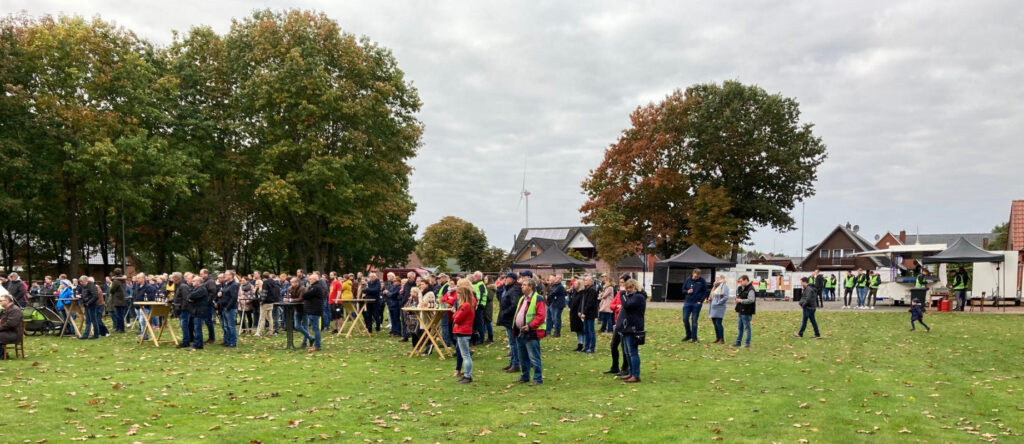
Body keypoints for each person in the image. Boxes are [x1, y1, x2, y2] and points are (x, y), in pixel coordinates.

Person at [514, 279, 546, 386]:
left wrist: (530, 326)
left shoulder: (538, 298)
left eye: (524, 285)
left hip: (532, 332)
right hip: (521, 332)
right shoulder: (522, 298)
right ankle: (525, 376)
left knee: (534, 357)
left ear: (530, 287)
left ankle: (538, 378)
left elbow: (541, 316)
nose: (521, 287)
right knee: (523, 357)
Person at [619, 279, 646, 383]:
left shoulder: (639, 297)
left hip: (634, 327)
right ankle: (631, 373)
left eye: (629, 288)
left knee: (632, 352)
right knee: (627, 352)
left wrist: (622, 294)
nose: (628, 290)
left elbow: (627, 305)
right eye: (626, 288)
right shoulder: (631, 296)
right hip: (627, 327)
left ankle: (636, 375)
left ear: (634, 287)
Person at [604, 275, 630, 376]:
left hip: (625, 323)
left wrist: (618, 307)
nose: (621, 284)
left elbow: (626, 306)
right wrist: (617, 307)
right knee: (613, 345)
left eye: (623, 282)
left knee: (624, 347)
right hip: (617, 322)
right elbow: (611, 305)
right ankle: (615, 366)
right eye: (620, 282)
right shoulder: (619, 293)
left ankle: (625, 368)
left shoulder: (628, 293)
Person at [497, 273, 522, 373]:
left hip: (511, 320)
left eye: (507, 278)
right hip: (508, 320)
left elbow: (515, 304)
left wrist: (505, 312)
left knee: (513, 343)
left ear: (512, 279)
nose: (505, 279)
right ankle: (512, 362)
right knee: (512, 343)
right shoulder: (509, 288)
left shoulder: (514, 289)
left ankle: (516, 364)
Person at [452, 285, 475, 384]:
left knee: (465, 355)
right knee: (465, 354)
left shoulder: (465, 306)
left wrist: (455, 313)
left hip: (463, 331)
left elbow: (457, 318)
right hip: (464, 331)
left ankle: (467, 376)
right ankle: (466, 375)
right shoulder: (468, 305)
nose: (457, 296)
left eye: (458, 294)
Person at [681, 269, 707, 343]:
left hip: (696, 303)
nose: (695, 278)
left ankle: (694, 337)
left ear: (699, 275)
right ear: (693, 273)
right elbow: (683, 290)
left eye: (697, 277)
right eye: (695, 276)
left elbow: (705, 292)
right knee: (685, 318)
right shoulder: (688, 280)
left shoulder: (702, 281)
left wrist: (701, 301)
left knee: (694, 320)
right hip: (688, 302)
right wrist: (687, 291)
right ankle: (688, 335)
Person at [302, 271, 326, 351]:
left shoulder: (315, 287)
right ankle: (316, 345)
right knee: (314, 328)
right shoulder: (314, 286)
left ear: (315, 279)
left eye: (311, 279)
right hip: (312, 309)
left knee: (316, 329)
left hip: (314, 310)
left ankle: (317, 345)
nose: (309, 280)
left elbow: (305, 295)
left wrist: (305, 293)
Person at [186, 276, 210, 350]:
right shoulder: (197, 289)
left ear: (198, 282)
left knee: (197, 328)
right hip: (196, 310)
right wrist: (190, 298)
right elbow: (189, 296)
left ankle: (197, 344)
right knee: (196, 328)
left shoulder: (201, 289)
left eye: (194, 281)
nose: (192, 282)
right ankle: (198, 344)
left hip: (200, 311)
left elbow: (191, 295)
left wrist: (190, 298)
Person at [217, 271, 239, 347]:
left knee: (231, 326)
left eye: (226, 274)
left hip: (230, 308)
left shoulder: (234, 285)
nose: (225, 275)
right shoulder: (226, 284)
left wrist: (228, 307)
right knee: (226, 326)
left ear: (231, 276)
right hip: (224, 307)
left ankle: (233, 342)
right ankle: (228, 341)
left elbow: (234, 297)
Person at [733, 275, 756, 348]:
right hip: (740, 310)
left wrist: (740, 300)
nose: (740, 283)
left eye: (741, 281)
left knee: (746, 327)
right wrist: (737, 300)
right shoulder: (741, 288)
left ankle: (747, 343)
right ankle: (738, 342)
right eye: (739, 281)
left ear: (746, 280)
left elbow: (751, 300)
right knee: (740, 327)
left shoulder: (750, 289)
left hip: (747, 311)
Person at [579, 276, 599, 353]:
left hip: (590, 313)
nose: (584, 281)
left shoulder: (592, 290)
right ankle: (586, 346)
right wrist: (580, 311)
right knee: (586, 330)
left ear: (591, 281)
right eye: (584, 280)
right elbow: (583, 302)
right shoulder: (586, 290)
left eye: (586, 280)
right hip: (585, 313)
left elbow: (590, 303)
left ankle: (591, 347)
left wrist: (584, 312)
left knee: (591, 331)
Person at [0, 293, 23, 359]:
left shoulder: (15, 310)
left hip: (13, 333)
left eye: (1, 301)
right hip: (6, 331)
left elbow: (10, 324)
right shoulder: (6, 310)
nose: (0, 302)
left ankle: (2, 355)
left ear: (7, 301)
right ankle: (2, 353)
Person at [708, 274, 729, 344]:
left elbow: (726, 297)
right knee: (715, 323)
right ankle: (718, 338)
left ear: (722, 279)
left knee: (718, 323)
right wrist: (710, 298)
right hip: (713, 307)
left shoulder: (724, 286)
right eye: (716, 278)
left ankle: (722, 339)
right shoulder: (715, 286)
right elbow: (712, 295)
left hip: (719, 307)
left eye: (718, 278)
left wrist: (719, 302)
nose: (716, 279)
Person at [568, 278, 585, 351]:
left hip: (579, 314)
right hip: (574, 313)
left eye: (576, 284)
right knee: (578, 330)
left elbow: (581, 304)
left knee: (581, 329)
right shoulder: (575, 293)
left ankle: (583, 344)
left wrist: (580, 311)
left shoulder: (582, 293)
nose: (574, 285)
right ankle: (579, 344)